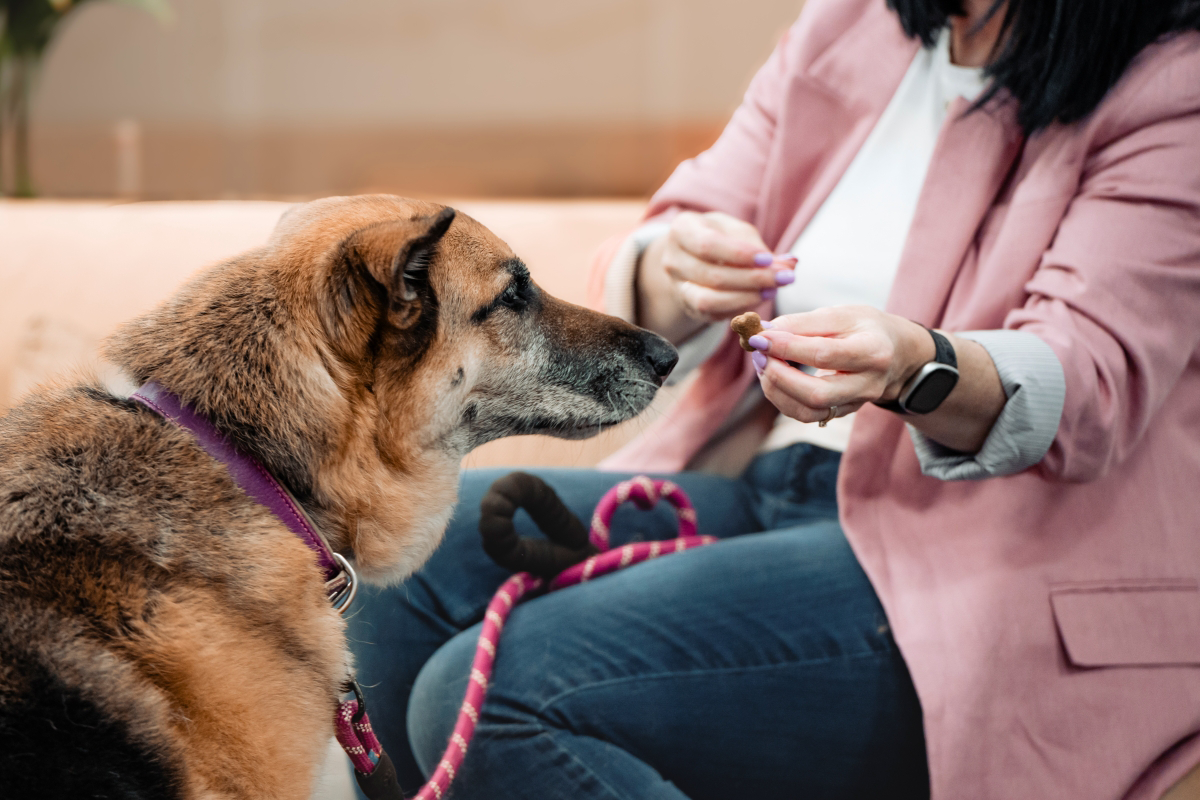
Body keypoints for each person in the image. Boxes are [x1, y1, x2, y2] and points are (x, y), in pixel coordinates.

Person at [348, 0, 1200, 797]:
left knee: (496, 693)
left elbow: (1085, 382)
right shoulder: (854, 23)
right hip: (762, 485)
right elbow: (673, 236)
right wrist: (678, 265)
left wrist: (915, 364)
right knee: (390, 558)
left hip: (979, 567)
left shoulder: (1171, 83)